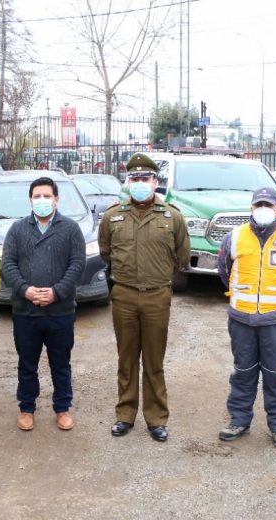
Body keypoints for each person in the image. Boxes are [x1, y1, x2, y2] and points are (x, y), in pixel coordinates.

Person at [98, 153, 190, 442]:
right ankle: (125, 414)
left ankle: (156, 418)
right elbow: (105, 252)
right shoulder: (113, 216)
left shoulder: (172, 217)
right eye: (134, 178)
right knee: (126, 359)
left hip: (157, 297)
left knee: (154, 360)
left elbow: (182, 257)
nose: (140, 183)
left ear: (155, 182)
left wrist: (156, 277)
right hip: (123, 295)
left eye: (145, 179)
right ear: (128, 182)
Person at [216, 187, 276, 449]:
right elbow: (224, 271)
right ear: (251, 208)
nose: (263, 209)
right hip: (242, 320)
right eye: (259, 204)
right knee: (243, 372)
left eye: (268, 205)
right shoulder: (234, 238)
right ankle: (239, 420)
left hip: (275, 322)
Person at [1, 176, 86, 431]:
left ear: (56, 200)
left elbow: (77, 264)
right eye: (37, 196)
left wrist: (56, 292)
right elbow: (7, 264)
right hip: (26, 312)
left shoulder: (70, 229)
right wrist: (26, 291)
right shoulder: (17, 230)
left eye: (47, 196)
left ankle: (62, 408)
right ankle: (26, 408)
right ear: (30, 200)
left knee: (60, 363)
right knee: (27, 363)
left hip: (59, 311)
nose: (42, 201)